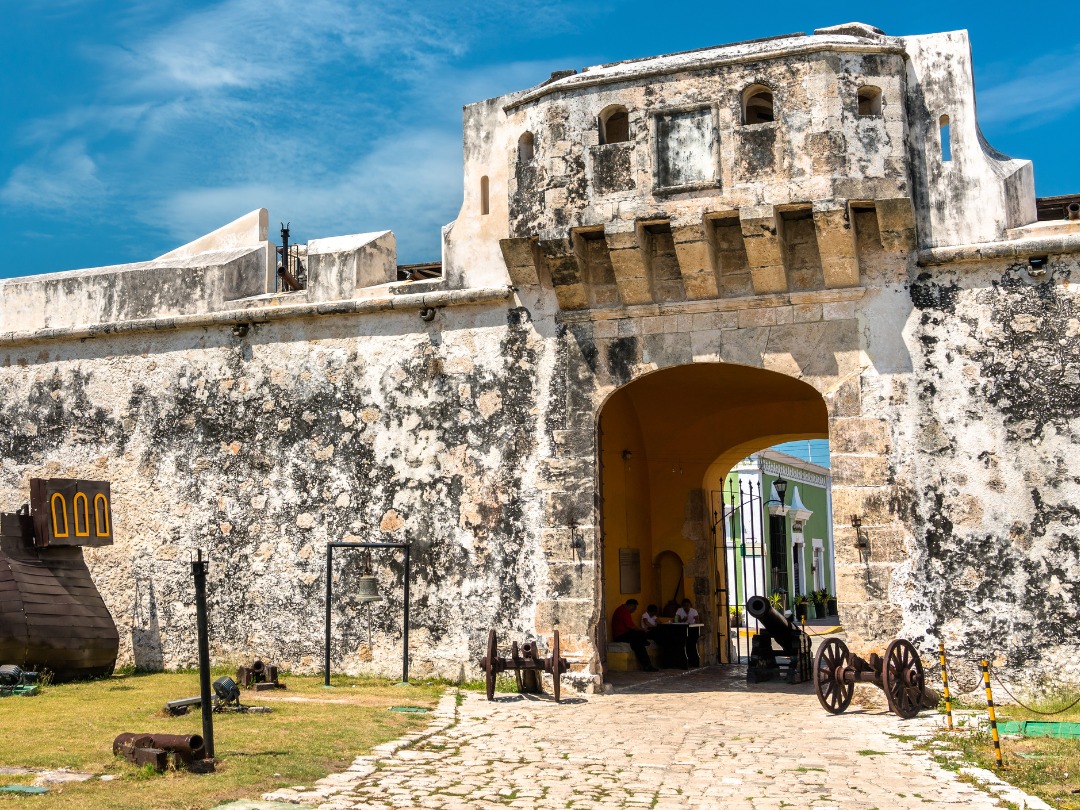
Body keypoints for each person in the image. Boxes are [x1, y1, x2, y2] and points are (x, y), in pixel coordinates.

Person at [612, 598, 657, 672]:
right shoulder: (623, 611)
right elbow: (631, 627)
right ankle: (647, 665)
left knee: (638, 642)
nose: (634, 610)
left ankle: (647, 665)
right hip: (620, 635)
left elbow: (632, 626)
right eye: (634, 608)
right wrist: (642, 630)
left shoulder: (622, 610)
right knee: (639, 641)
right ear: (630, 605)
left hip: (625, 633)